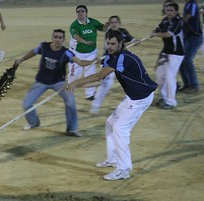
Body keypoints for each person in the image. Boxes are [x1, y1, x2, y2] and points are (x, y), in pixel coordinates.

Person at [64, 30, 158, 181]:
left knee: (120, 129)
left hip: (141, 98)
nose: (110, 46)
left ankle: (124, 169)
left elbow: (99, 75)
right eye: (108, 43)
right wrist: (77, 86)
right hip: (132, 97)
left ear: (121, 43)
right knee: (110, 123)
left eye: (113, 43)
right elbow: (100, 81)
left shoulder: (124, 58)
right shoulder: (111, 57)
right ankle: (112, 159)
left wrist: (76, 81)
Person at [14, 29, 95, 136]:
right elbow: (33, 52)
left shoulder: (67, 53)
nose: (57, 40)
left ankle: (72, 129)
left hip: (59, 83)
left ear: (63, 40)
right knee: (26, 104)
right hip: (41, 81)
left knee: (71, 103)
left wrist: (93, 60)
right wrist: (21, 59)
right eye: (55, 37)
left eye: (60, 38)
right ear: (52, 38)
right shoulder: (44, 47)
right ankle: (34, 122)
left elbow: (81, 62)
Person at [89, 16, 139, 115]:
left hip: (122, 61)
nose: (114, 24)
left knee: (129, 81)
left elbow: (132, 39)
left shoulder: (123, 32)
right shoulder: (109, 33)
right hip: (109, 60)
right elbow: (108, 47)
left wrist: (135, 41)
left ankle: (133, 103)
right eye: (112, 22)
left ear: (119, 23)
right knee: (106, 83)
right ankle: (95, 105)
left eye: (115, 22)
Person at [67, 4, 107, 100]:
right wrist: (84, 41)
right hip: (77, 54)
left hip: (91, 53)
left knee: (90, 73)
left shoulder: (92, 22)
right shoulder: (74, 25)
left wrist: (109, 25)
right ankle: (69, 91)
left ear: (86, 13)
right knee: (74, 74)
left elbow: (102, 28)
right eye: (78, 11)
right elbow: (76, 36)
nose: (80, 13)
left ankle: (90, 94)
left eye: (82, 11)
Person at [152, 2, 185, 109]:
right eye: (167, 10)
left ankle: (171, 101)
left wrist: (155, 34)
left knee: (170, 76)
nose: (169, 12)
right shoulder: (166, 19)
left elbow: (168, 34)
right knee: (159, 74)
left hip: (176, 54)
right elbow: (159, 27)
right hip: (166, 52)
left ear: (176, 11)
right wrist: (155, 31)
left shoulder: (178, 22)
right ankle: (164, 97)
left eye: (171, 10)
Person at [178, 0, 203, 92]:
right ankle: (187, 85)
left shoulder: (192, 3)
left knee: (187, 60)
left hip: (194, 38)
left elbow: (187, 17)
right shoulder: (189, 4)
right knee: (181, 60)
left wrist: (176, 22)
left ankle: (194, 86)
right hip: (188, 38)